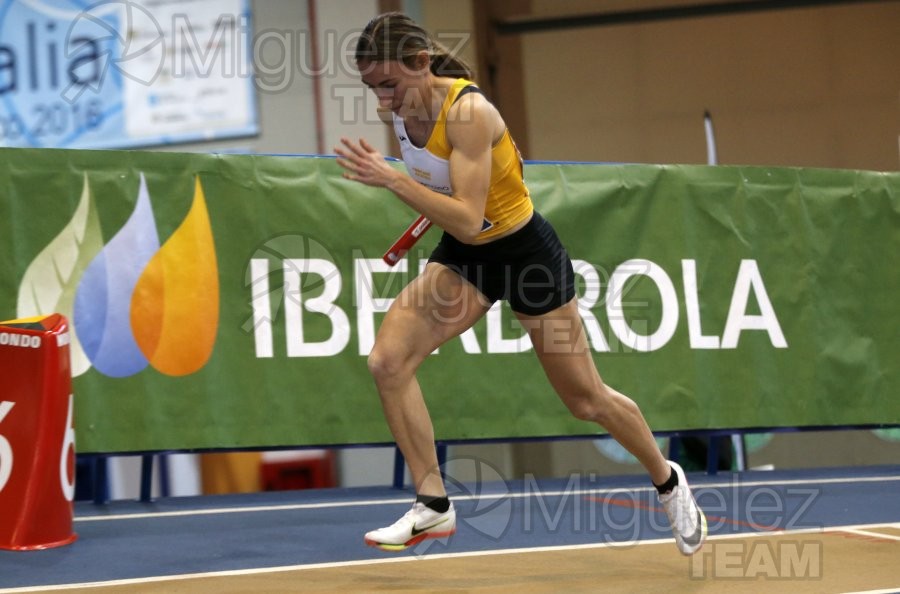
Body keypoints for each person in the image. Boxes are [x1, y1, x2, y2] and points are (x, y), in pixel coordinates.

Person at [334, 12, 707, 555]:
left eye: (389, 84)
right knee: (387, 362)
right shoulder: (406, 110)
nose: (383, 100)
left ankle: (668, 481)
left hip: (525, 257)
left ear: (420, 63)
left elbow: (465, 214)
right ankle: (433, 506)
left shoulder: (468, 112)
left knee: (586, 400)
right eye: (372, 88)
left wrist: (392, 177)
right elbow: (464, 216)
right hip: (468, 259)